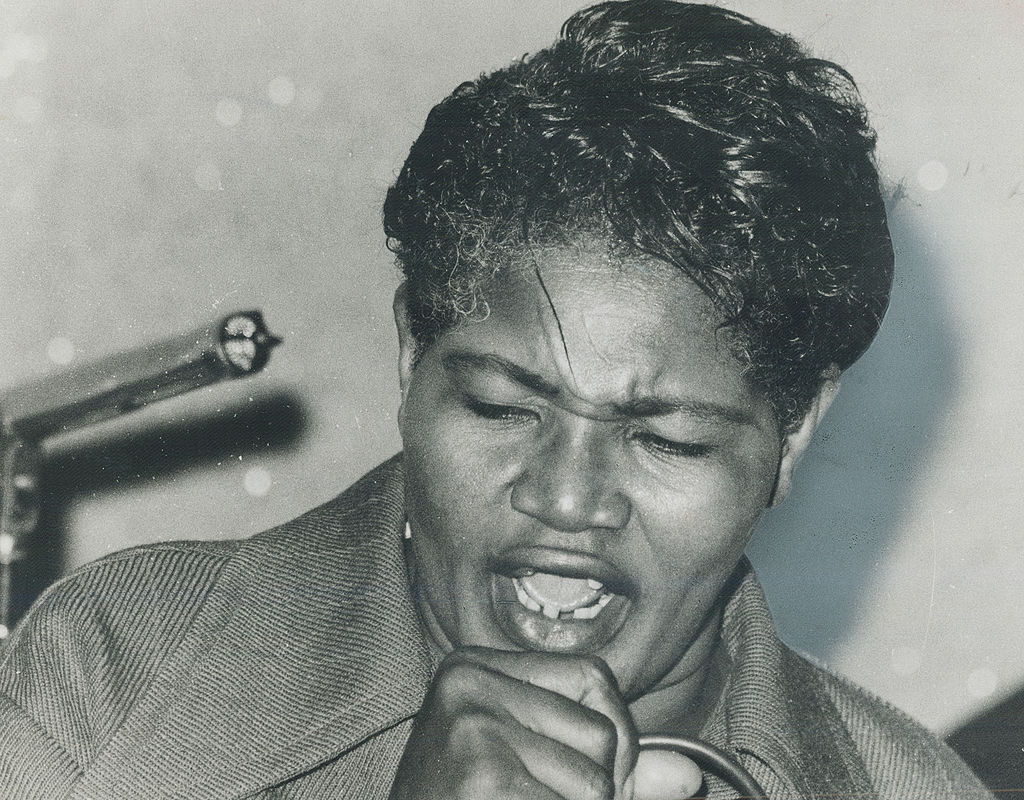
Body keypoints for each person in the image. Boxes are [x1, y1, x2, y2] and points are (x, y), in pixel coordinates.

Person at [0, 2, 992, 798]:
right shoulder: (116, 674)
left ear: (792, 433)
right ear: (410, 356)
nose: (567, 497)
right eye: (500, 406)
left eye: (667, 439)